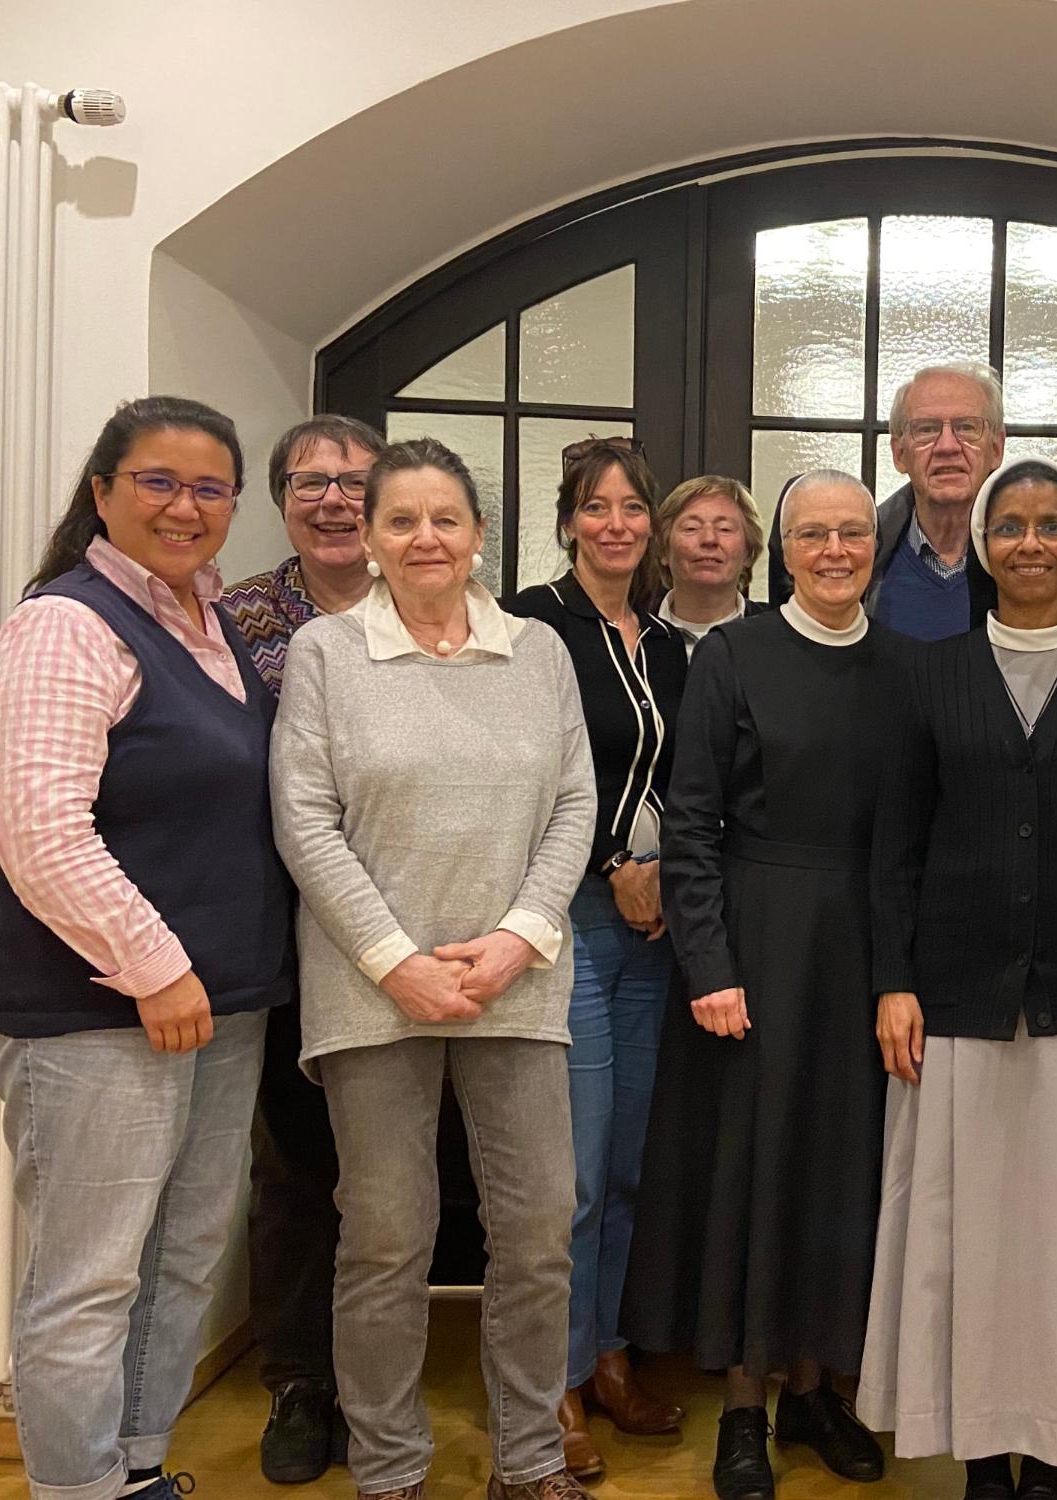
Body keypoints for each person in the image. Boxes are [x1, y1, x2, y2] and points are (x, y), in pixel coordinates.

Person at [0, 396, 294, 1500]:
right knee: (89, 1281)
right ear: (103, 492)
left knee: (181, 1258)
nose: (184, 506)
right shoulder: (67, 622)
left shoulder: (210, 620)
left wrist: (207, 980)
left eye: (208, 488)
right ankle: (77, 1489)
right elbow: (41, 825)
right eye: (158, 481)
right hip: (97, 1014)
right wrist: (157, 967)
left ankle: (136, 1467)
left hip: (217, 1007)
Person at [269, 437, 597, 1500]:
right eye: (400, 519)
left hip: (518, 983)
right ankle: (392, 1468)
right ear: (367, 538)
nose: (424, 538)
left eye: (444, 518)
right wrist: (396, 960)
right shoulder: (325, 653)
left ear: (478, 535)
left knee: (540, 1228)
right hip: (373, 993)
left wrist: (516, 937)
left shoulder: (537, 652)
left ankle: (532, 1459)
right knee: (385, 1237)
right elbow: (305, 822)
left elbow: (576, 805)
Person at [860, 458, 1057, 1500]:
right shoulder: (929, 675)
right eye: (1011, 526)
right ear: (983, 546)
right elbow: (894, 846)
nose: (1031, 543)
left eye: (1052, 525)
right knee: (968, 1250)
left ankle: (1055, 1451)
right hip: (956, 1000)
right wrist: (893, 981)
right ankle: (981, 1457)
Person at [625, 469, 903, 1500]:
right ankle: (742, 1405)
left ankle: (818, 1391)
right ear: (778, 551)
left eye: (852, 532)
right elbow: (691, 821)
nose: (834, 550)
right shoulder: (736, 654)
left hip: (867, 948)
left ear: (873, 546)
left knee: (844, 1168)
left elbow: (911, 835)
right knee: (752, 1167)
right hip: (751, 941)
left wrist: (904, 974)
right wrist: (709, 964)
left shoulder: (906, 667)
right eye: (812, 534)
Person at [507, 436, 689, 1475]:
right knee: (568, 1176)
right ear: (570, 519)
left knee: (626, 1168)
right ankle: (557, 1387)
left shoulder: (667, 644)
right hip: (565, 920)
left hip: (651, 933)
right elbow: (524, 776)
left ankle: (612, 1357)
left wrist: (661, 873)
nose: (616, 523)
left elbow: (686, 774)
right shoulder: (532, 627)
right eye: (598, 506)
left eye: (633, 507)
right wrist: (617, 857)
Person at [223, 411, 386, 1485]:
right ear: (281, 499)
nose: (334, 499)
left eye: (354, 481)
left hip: (411, 941)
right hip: (273, 936)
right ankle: (299, 1382)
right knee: (294, 1168)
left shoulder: (437, 613)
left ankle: (381, 1380)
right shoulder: (229, 624)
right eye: (310, 481)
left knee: (396, 1176)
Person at [764, 361, 1003, 640]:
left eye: (967, 427)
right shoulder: (855, 558)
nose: (947, 446)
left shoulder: (1030, 558)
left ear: (996, 449)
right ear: (899, 453)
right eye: (926, 429)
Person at [656, 473, 771, 652]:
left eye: (724, 529)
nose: (709, 539)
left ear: (748, 552)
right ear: (663, 549)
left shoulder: (778, 636)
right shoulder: (633, 633)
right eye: (691, 528)